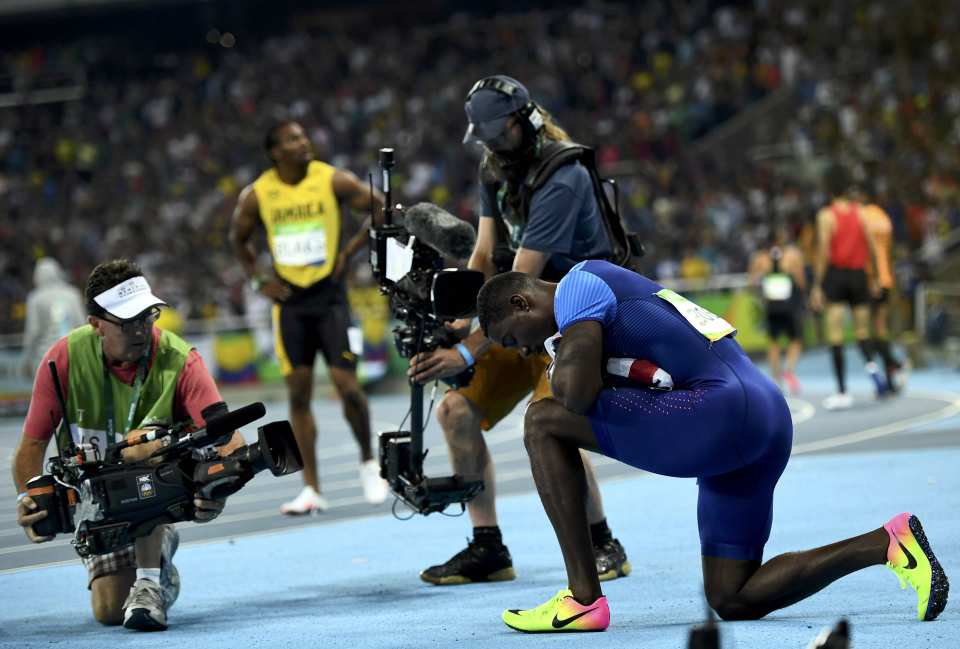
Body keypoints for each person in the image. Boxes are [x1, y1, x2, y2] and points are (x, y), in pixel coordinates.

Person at [477, 261, 948, 632]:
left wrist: (558, 363)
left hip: (720, 413)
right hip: (762, 415)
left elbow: (576, 395)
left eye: (513, 339)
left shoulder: (578, 287)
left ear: (522, 301)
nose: (523, 350)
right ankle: (888, 543)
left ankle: (582, 600)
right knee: (733, 596)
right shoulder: (600, 297)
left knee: (543, 421)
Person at [407, 75, 630, 586]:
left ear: (523, 121)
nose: (489, 145)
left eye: (496, 134)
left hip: (574, 318)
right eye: (482, 136)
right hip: (521, 315)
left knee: (552, 421)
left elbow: (522, 288)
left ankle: (604, 545)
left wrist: (467, 352)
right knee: (454, 409)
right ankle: (488, 548)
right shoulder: (495, 169)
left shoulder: (564, 175)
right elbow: (485, 256)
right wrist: (462, 315)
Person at [13, 259, 246, 631]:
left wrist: (218, 487)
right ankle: (163, 576)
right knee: (109, 610)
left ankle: (153, 571)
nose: (141, 329)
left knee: (141, 451)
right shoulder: (62, 361)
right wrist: (32, 498)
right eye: (128, 321)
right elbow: (31, 446)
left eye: (148, 316)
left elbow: (231, 439)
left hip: (159, 486)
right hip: (97, 498)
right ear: (96, 323)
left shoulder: (180, 360)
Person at [230, 120, 389, 513]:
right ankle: (312, 488)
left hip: (332, 299)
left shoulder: (331, 179)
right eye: (292, 140)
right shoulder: (259, 194)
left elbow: (380, 208)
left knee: (347, 387)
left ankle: (369, 462)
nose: (304, 143)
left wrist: (349, 252)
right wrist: (256, 281)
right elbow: (238, 237)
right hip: (290, 305)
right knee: (298, 395)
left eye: (304, 136)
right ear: (275, 151)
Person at [810, 167, 885, 410]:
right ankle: (874, 373)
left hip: (837, 276)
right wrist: (874, 277)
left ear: (830, 191)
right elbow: (873, 247)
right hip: (859, 275)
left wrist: (818, 285)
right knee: (863, 332)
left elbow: (823, 251)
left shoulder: (826, 215)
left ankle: (842, 391)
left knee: (836, 334)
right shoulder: (861, 212)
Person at [748, 228, 806, 394]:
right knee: (796, 340)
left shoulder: (760, 258)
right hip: (790, 305)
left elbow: (751, 283)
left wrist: (764, 282)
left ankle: (776, 378)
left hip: (771, 305)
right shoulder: (793, 255)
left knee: (773, 342)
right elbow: (801, 282)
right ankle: (789, 370)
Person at [859, 191, 907, 392]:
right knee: (880, 329)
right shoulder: (883, 217)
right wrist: (887, 279)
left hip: (869, 278)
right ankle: (891, 377)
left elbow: (867, 249)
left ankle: (886, 367)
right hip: (886, 278)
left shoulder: (861, 217)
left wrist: (874, 278)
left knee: (863, 331)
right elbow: (889, 251)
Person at [20, 257, 86, 378]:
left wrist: (26, 359)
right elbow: (82, 325)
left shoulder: (35, 298)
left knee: (50, 395)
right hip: (72, 355)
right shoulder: (73, 294)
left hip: (45, 357)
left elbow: (33, 331)